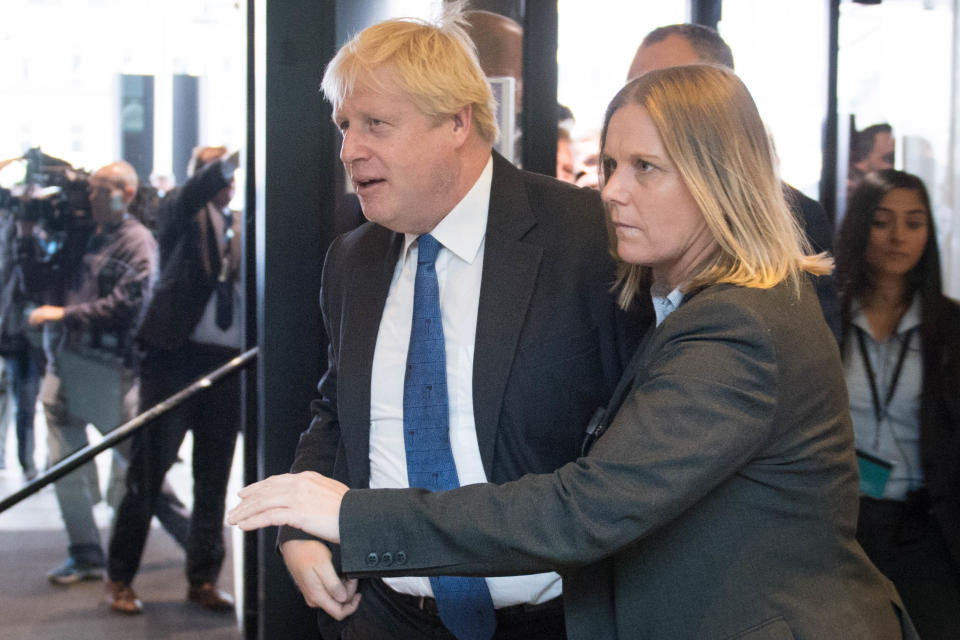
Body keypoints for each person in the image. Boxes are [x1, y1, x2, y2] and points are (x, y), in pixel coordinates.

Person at [230, 64, 917, 640]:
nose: (612, 190)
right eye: (613, 164)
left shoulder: (740, 328)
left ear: (720, 178)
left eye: (646, 168)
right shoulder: (707, 305)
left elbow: (583, 508)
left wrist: (350, 517)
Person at [267, 10, 637, 640]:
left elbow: (636, 444)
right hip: (382, 619)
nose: (350, 149)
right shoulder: (352, 261)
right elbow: (335, 415)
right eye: (345, 126)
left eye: (376, 124)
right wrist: (300, 531)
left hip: (554, 622)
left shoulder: (587, 238)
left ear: (458, 121)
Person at [23, 161, 189, 585]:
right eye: (91, 190)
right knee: (66, 469)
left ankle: (196, 540)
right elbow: (39, 284)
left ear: (126, 194)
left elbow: (129, 304)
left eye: (101, 191)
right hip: (65, 364)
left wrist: (65, 314)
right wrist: (26, 232)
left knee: (140, 468)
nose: (91, 198)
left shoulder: (137, 242)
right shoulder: (82, 235)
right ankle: (85, 554)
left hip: (107, 372)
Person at [628, 23, 841, 339]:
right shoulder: (618, 207)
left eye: (671, 85)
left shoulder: (794, 215)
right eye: (634, 86)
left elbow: (806, 349)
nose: (642, 101)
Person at [105, 146, 243, 614]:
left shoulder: (245, 223)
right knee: (147, 475)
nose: (227, 180)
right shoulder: (179, 213)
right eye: (216, 171)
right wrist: (230, 157)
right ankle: (120, 577)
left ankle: (203, 579)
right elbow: (195, 191)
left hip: (229, 366)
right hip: (174, 360)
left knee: (214, 479)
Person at [836, 169, 960, 639]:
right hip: (839, 522)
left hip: (921, 526)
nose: (897, 237)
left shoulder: (950, 329)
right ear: (860, 226)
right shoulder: (828, 317)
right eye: (882, 221)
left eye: (913, 222)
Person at [0, 201, 41, 481]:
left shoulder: (39, 242)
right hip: (9, 330)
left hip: (29, 335)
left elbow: (34, 282)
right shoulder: (6, 241)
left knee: (26, 403)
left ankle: (27, 462)